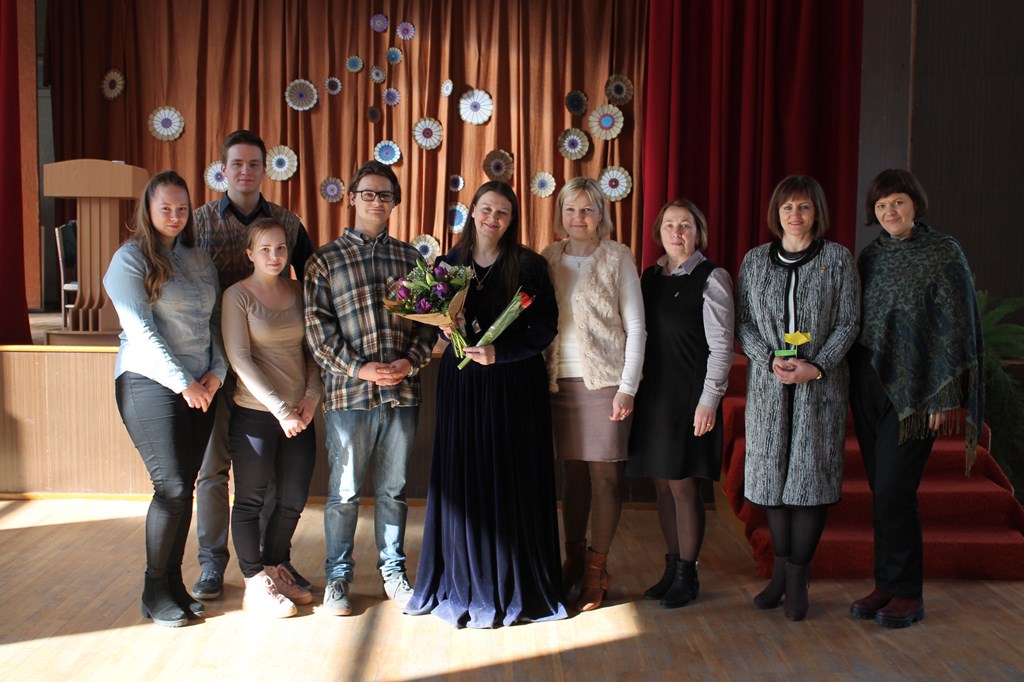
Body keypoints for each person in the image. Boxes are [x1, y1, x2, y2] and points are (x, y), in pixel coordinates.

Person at [405, 181, 568, 628]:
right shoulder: (447, 265)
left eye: (502, 212)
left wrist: (502, 352)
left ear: (512, 220)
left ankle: (517, 583)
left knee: (513, 476)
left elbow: (546, 326)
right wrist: (444, 328)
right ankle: (464, 581)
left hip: (515, 385)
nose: (493, 219)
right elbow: (433, 325)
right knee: (464, 479)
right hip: (463, 385)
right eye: (486, 209)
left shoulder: (529, 265)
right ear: (472, 211)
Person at [848, 169, 983, 629]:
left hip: (919, 392)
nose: (890, 211)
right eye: (881, 205)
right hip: (867, 383)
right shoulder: (871, 256)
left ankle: (908, 593)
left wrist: (947, 395)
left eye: (897, 202)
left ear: (915, 205)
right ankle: (886, 584)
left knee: (895, 490)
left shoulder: (943, 252)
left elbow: (958, 325)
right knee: (880, 491)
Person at [304, 160, 435, 616]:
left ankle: (393, 572)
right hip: (349, 396)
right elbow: (318, 333)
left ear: (395, 202)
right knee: (343, 493)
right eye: (368, 193)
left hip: (402, 393)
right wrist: (361, 370)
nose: (376, 201)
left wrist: (409, 361)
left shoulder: (412, 260)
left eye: (385, 195)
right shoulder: (324, 260)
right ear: (352, 198)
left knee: (394, 490)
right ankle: (337, 577)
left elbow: (428, 326)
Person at [192, 129, 315, 600]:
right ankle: (212, 564)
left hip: (273, 365)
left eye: (254, 164)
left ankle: (269, 563)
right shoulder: (199, 221)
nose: (245, 171)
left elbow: (311, 280)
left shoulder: (286, 222)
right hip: (212, 364)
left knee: (271, 478)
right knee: (213, 471)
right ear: (223, 169)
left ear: (266, 169)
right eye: (237, 163)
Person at [103, 171, 227, 627]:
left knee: (184, 487)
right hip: (148, 381)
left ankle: (173, 585)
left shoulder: (199, 258)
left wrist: (216, 374)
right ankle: (154, 590)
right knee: (171, 486)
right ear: (148, 210)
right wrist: (183, 382)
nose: (174, 216)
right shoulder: (129, 259)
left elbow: (213, 323)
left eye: (181, 209)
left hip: (200, 385)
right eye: (165, 208)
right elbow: (140, 330)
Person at [736, 175, 859, 621]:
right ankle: (780, 576)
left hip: (819, 388)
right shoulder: (755, 261)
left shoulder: (837, 259)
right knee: (773, 485)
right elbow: (743, 322)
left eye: (804, 207)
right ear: (777, 213)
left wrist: (817, 365)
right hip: (769, 387)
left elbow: (849, 322)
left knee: (808, 483)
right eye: (787, 207)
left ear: (816, 213)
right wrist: (769, 358)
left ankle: (798, 580)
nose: (795, 215)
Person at [540, 177, 646, 612]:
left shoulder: (618, 257)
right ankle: (574, 560)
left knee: (605, 478)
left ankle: (597, 570)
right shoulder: (548, 257)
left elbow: (636, 327)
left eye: (586, 209)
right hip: (557, 381)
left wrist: (627, 388)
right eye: (570, 209)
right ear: (560, 214)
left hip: (604, 384)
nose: (578, 217)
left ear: (600, 213)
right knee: (572, 477)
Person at [626, 199, 734, 608]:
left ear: (698, 232)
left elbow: (721, 348)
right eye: (669, 225)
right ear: (659, 232)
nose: (677, 232)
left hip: (689, 397)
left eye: (685, 225)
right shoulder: (649, 277)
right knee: (661, 484)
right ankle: (671, 569)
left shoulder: (712, 277)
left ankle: (689, 575)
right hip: (654, 395)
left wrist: (709, 401)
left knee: (683, 485)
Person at [221, 218, 322, 618]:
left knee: (293, 499)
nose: (275, 256)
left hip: (300, 413)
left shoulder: (298, 292)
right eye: (265, 249)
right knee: (250, 500)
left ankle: (276, 566)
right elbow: (239, 358)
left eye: (281, 248)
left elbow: (312, 351)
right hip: (256, 414)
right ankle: (253, 581)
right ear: (250, 253)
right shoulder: (237, 296)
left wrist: (311, 398)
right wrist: (281, 410)